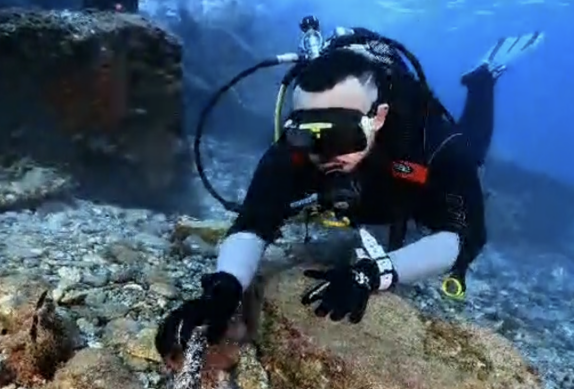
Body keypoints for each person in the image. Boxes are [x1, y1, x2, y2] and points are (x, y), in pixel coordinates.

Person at [156, 31, 544, 358]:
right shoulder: (290, 153)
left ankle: (482, 80)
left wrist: (373, 274)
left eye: (340, 135)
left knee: (473, 151)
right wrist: (223, 290)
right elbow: (252, 225)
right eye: (308, 135)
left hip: (406, 188)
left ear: (379, 116)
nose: (325, 155)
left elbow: (458, 238)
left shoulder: (435, 143)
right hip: (373, 197)